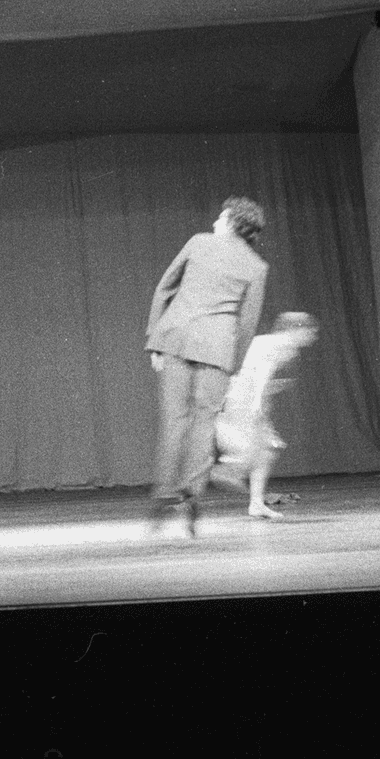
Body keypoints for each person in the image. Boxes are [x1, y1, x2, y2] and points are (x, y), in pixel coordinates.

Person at [145, 197, 268, 538]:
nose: (215, 221)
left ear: (231, 221)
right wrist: (234, 364)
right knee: (204, 423)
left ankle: (164, 495)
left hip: (177, 338)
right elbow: (247, 323)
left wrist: (154, 340)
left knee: (174, 420)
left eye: (221, 216)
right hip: (217, 347)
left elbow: (164, 289)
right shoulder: (256, 266)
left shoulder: (199, 242)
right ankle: (191, 496)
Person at [211, 312, 319, 520]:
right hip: (243, 399)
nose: (311, 337)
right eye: (309, 331)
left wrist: (267, 391)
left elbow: (251, 371)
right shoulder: (281, 344)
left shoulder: (274, 344)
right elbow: (261, 372)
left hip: (242, 395)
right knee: (253, 450)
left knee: (267, 451)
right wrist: (258, 401)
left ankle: (255, 502)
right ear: (295, 329)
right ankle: (227, 470)